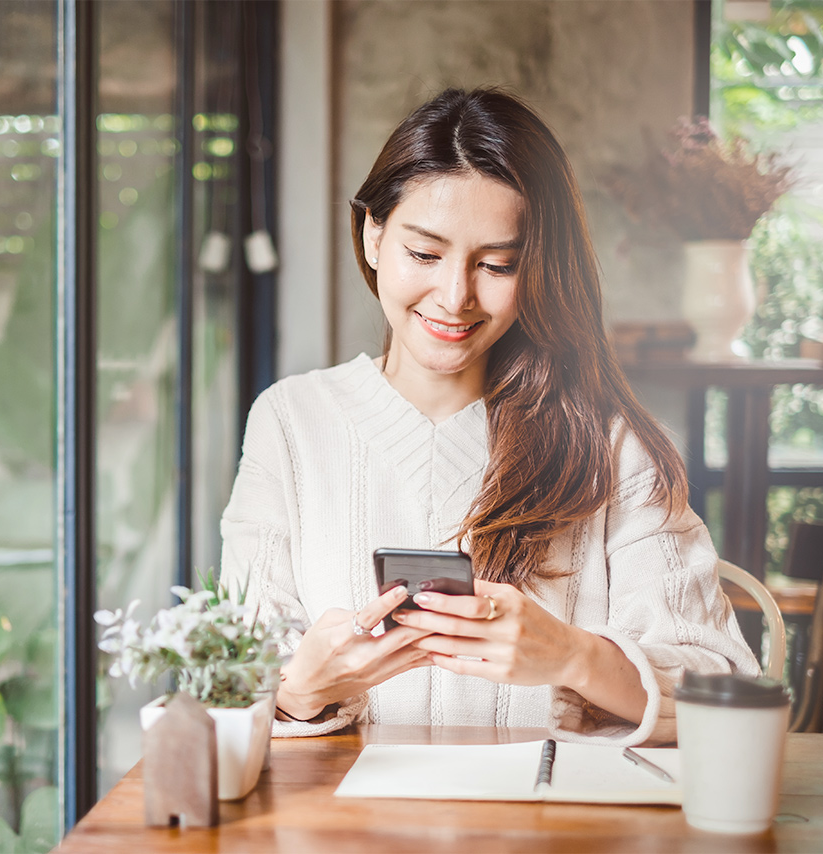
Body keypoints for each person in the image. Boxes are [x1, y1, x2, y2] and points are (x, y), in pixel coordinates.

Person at [219, 87, 758, 746]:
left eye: (497, 264)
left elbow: (729, 689)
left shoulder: (608, 444)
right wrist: (301, 692)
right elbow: (223, 684)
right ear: (372, 236)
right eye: (424, 254)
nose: (455, 297)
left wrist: (573, 657)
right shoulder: (291, 423)